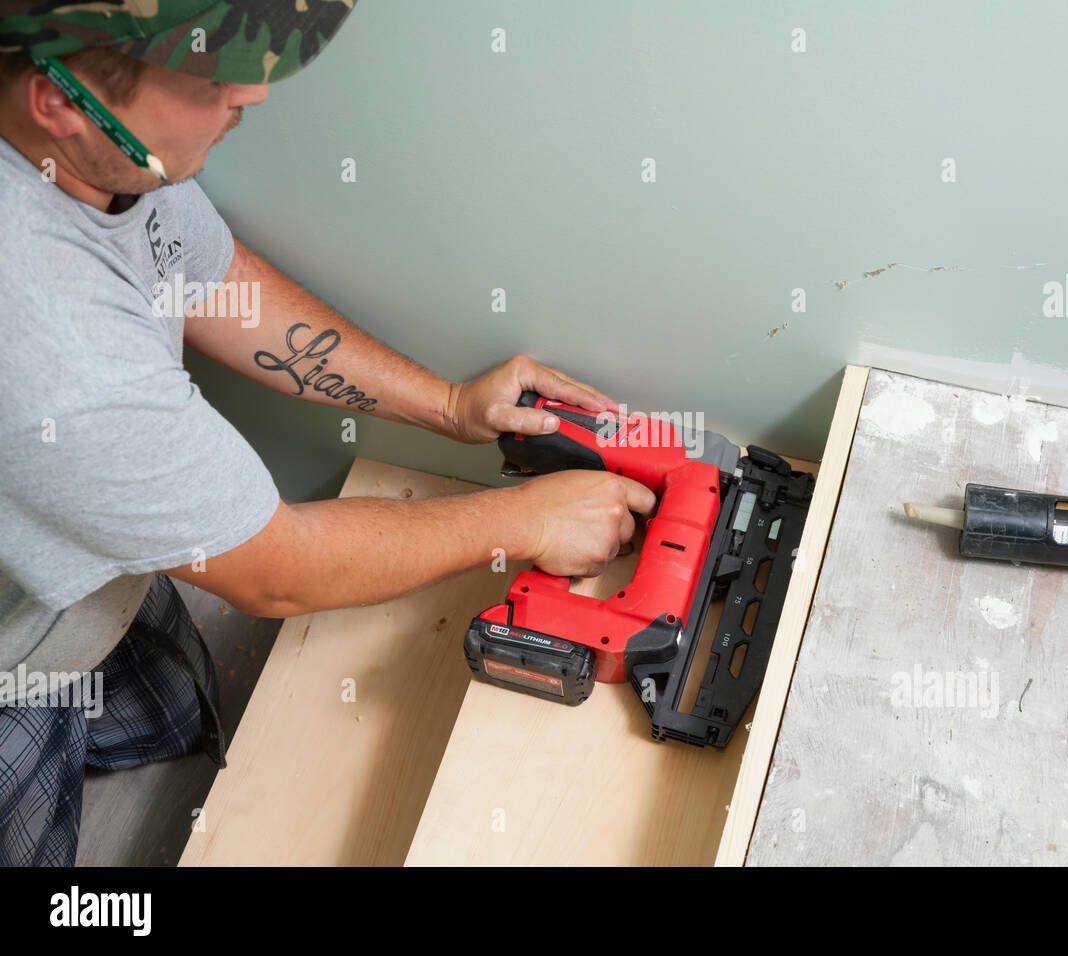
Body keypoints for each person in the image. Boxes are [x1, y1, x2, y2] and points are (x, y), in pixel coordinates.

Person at [0, 1, 654, 866]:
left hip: (77, 579)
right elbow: (277, 573)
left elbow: (204, 279)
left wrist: (450, 406)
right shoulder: (61, 352)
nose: (256, 94)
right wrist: (524, 520)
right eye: (209, 80)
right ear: (59, 99)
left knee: (154, 712)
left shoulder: (101, 148)